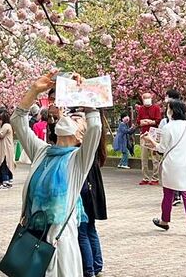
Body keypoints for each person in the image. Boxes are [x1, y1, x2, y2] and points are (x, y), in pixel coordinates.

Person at [11, 71, 102, 276]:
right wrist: (34, 90)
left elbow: (95, 126)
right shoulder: (42, 151)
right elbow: (18, 120)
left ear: (82, 136)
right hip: (33, 237)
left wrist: (83, 93)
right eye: (70, 115)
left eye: (78, 119)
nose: (69, 117)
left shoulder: (78, 161)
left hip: (59, 244)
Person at [143, 98, 186, 235]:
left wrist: (150, 140)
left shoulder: (168, 127)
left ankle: (165, 221)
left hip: (172, 164)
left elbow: (161, 148)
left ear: (172, 111)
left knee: (168, 194)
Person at [79, 111, 109, 277]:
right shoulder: (97, 129)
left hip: (85, 181)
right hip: (93, 181)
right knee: (90, 227)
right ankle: (96, 266)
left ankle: (89, 269)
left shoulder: (87, 127)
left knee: (82, 228)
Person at [135, 92, 163, 185]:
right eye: (145, 98)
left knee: (155, 158)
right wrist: (144, 122)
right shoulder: (141, 109)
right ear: (142, 99)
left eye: (148, 98)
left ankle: (155, 178)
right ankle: (145, 177)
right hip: (144, 134)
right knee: (144, 157)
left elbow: (158, 120)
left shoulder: (156, 108)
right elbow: (138, 121)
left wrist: (150, 122)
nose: (147, 99)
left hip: (153, 134)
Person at [0, 109, 16, 190]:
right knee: (5, 163)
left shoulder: (6, 126)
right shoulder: (7, 125)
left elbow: (1, 135)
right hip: (6, 148)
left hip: (5, 149)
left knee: (3, 164)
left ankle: (5, 181)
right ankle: (6, 181)